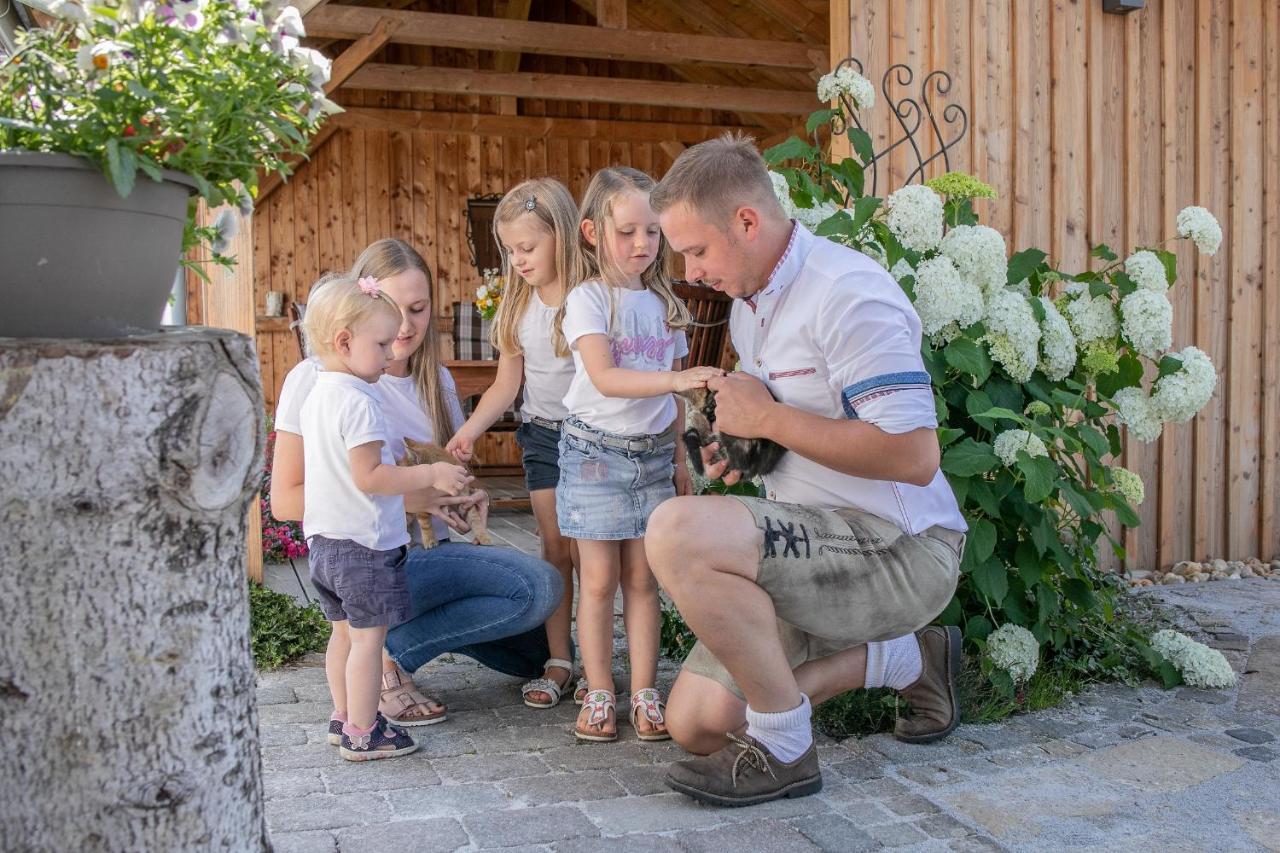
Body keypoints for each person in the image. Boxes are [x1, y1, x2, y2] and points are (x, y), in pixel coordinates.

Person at [645, 135, 967, 806]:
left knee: (675, 532)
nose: (692, 271)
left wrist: (765, 420)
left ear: (748, 222)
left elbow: (914, 454)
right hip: (816, 544)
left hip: (901, 549)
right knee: (696, 723)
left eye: (697, 250)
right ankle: (911, 658)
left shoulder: (848, 294)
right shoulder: (751, 302)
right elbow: (785, 425)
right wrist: (742, 447)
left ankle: (785, 747)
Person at [270, 238, 563, 728]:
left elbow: (445, 475)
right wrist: (412, 496)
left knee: (533, 643)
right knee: (535, 585)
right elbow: (285, 501)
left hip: (428, 556)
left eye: (419, 308)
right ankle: (383, 660)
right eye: (392, 309)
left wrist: (466, 496)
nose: (405, 327)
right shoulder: (319, 379)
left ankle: (390, 638)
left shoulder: (435, 381)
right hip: (369, 556)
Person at [554, 167, 723, 742]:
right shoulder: (587, 299)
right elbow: (603, 376)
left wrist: (682, 458)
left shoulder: (664, 301)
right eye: (627, 231)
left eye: (652, 232)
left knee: (644, 581)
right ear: (592, 232)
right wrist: (679, 384)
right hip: (595, 454)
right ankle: (600, 689)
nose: (642, 245)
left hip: (654, 456)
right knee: (598, 581)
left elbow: (674, 396)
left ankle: (645, 690)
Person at [297, 272, 473, 760]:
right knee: (369, 645)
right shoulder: (360, 401)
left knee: (341, 637)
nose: (392, 354)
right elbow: (370, 476)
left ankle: (340, 716)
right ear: (345, 341)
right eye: (380, 344)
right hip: (364, 545)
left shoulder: (317, 395)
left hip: (326, 544)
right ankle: (364, 729)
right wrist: (430, 474)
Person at [446, 178, 581, 710]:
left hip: (594, 441)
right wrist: (468, 430)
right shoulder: (519, 305)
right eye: (511, 251)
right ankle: (559, 659)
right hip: (544, 437)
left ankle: (595, 661)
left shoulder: (588, 299)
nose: (519, 260)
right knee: (555, 550)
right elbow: (506, 384)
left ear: (562, 235)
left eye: (528, 247)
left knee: (593, 556)